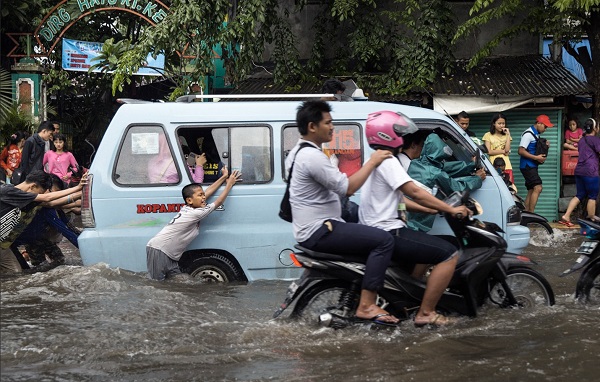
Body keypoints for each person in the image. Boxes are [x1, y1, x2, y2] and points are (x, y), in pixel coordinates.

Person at [287, 100, 399, 324]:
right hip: (320, 230)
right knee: (384, 240)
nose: (332, 127)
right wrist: (373, 161)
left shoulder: (298, 152)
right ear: (312, 126)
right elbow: (348, 187)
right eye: (328, 123)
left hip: (316, 225)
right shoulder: (313, 157)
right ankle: (367, 306)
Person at [360, 110, 470, 326]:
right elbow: (416, 192)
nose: (403, 136)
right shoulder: (389, 161)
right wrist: (450, 210)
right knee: (448, 253)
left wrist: (429, 209)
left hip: (379, 227)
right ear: (387, 135)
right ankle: (426, 312)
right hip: (389, 231)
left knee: (427, 248)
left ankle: (411, 295)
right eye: (399, 131)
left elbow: (398, 199)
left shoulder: (377, 159)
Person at [146, 167, 241, 280]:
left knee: (179, 283)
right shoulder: (195, 213)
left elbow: (208, 191)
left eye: (203, 195)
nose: (204, 197)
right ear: (189, 200)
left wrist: (223, 177)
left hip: (171, 255)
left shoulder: (190, 208)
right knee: (156, 285)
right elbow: (219, 201)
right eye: (200, 195)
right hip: (159, 250)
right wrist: (229, 184)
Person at [1, 170, 86, 273]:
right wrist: (78, 187)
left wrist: (81, 193)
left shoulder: (26, 198)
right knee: (16, 273)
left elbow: (52, 203)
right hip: (12, 243)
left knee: (16, 273)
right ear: (32, 187)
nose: (40, 196)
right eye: (40, 192)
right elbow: (47, 198)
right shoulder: (8, 191)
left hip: (4, 245)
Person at [407, 133, 486, 232]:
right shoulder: (435, 173)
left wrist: (471, 165)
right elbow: (457, 187)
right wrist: (477, 178)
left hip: (406, 218)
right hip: (415, 226)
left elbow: (447, 167)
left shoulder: (416, 164)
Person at [560, 118, 600, 225]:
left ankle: (566, 215)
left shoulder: (582, 140)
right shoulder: (596, 140)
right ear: (595, 128)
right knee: (592, 195)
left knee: (580, 194)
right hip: (591, 171)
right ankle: (591, 218)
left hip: (579, 171)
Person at [518, 114, 553, 212]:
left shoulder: (535, 134)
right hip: (527, 166)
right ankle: (532, 214)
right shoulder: (528, 134)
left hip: (531, 166)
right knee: (538, 187)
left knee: (531, 190)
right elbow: (521, 151)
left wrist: (545, 146)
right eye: (545, 126)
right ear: (539, 123)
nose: (545, 129)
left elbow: (533, 148)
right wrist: (536, 157)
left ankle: (526, 213)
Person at [482, 113, 514, 183]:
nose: (501, 125)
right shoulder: (488, 135)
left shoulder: (506, 135)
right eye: (499, 123)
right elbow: (488, 151)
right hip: (494, 165)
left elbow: (507, 150)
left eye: (503, 123)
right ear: (494, 123)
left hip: (506, 165)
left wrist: (508, 134)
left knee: (509, 186)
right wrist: (503, 151)